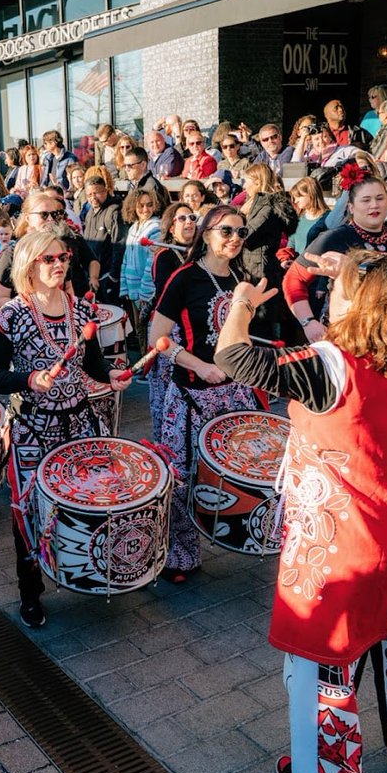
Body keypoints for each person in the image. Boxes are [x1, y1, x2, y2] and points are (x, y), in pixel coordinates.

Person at [213, 250, 387, 773]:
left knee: (322, 663)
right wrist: (367, 270)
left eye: (338, 288)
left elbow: (233, 356)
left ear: (354, 300)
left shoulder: (332, 362)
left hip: (342, 535)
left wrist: (241, 303)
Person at [0, 228, 131, 627]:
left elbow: (92, 364)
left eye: (63, 256)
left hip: (80, 420)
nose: (59, 264)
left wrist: (112, 376)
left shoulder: (81, 310)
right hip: (34, 429)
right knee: (28, 514)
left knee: (89, 500)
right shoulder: (11, 315)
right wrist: (28, 379)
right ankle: (30, 593)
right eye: (48, 259)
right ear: (29, 265)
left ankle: (85, 568)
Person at [148, 205, 261, 582]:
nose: (234, 239)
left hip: (234, 394)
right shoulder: (184, 277)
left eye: (241, 233)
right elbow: (156, 339)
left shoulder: (241, 279)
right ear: (208, 232)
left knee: (234, 472)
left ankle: (235, 529)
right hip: (192, 394)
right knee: (181, 477)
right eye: (226, 230)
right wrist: (200, 366)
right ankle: (180, 554)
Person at [284, 172, 387, 342]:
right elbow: (293, 279)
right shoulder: (334, 238)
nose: (374, 205)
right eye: (366, 200)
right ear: (351, 207)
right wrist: (308, 322)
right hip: (347, 336)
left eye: (380, 198)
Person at [0, 191, 98, 308]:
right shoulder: (12, 254)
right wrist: (30, 312)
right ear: (28, 218)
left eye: (54, 214)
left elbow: (67, 288)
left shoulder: (60, 250)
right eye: (44, 215)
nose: (50, 219)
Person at [240, 163, 299, 341]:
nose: (244, 186)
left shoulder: (265, 205)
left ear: (257, 182)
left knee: (261, 320)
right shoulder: (257, 204)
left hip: (259, 268)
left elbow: (247, 235)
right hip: (254, 265)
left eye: (247, 181)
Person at [120, 187, 168, 348]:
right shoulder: (134, 227)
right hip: (133, 291)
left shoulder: (155, 228)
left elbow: (151, 264)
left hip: (145, 293)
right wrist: (124, 287)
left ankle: (148, 369)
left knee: (148, 333)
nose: (145, 209)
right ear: (133, 207)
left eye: (149, 205)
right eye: (141, 205)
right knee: (139, 331)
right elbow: (126, 258)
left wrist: (144, 293)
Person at [82, 176, 126, 303]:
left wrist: (113, 276)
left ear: (105, 191)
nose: (93, 198)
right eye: (89, 195)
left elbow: (119, 245)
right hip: (93, 277)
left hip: (107, 277)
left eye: (96, 193)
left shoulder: (114, 212)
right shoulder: (90, 212)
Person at [288, 177, 330, 254]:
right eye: (294, 197)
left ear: (311, 194)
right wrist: (286, 259)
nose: (296, 201)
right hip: (297, 264)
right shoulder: (299, 218)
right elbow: (291, 243)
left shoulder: (328, 218)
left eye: (299, 196)